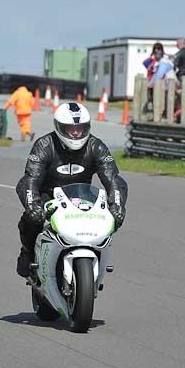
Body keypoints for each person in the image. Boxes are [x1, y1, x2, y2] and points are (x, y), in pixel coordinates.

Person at [15, 102, 128, 278]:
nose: (76, 132)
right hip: (49, 197)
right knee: (32, 220)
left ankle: (96, 258)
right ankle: (28, 251)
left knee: (112, 219)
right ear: (59, 127)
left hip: (82, 197)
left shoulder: (96, 146)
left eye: (81, 127)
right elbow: (30, 180)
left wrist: (117, 206)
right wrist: (33, 206)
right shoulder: (44, 145)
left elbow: (113, 179)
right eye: (71, 128)